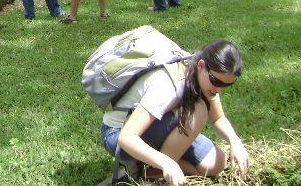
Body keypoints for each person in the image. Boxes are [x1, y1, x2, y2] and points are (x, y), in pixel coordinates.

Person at [101, 39, 249, 186]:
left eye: (226, 85)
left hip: (154, 127)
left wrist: (235, 143)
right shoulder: (168, 86)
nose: (219, 90)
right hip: (117, 135)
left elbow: (218, 118)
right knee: (198, 110)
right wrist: (165, 162)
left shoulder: (204, 80)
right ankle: (155, 173)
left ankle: (149, 167)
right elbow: (126, 137)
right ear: (201, 65)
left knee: (216, 163)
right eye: (216, 81)